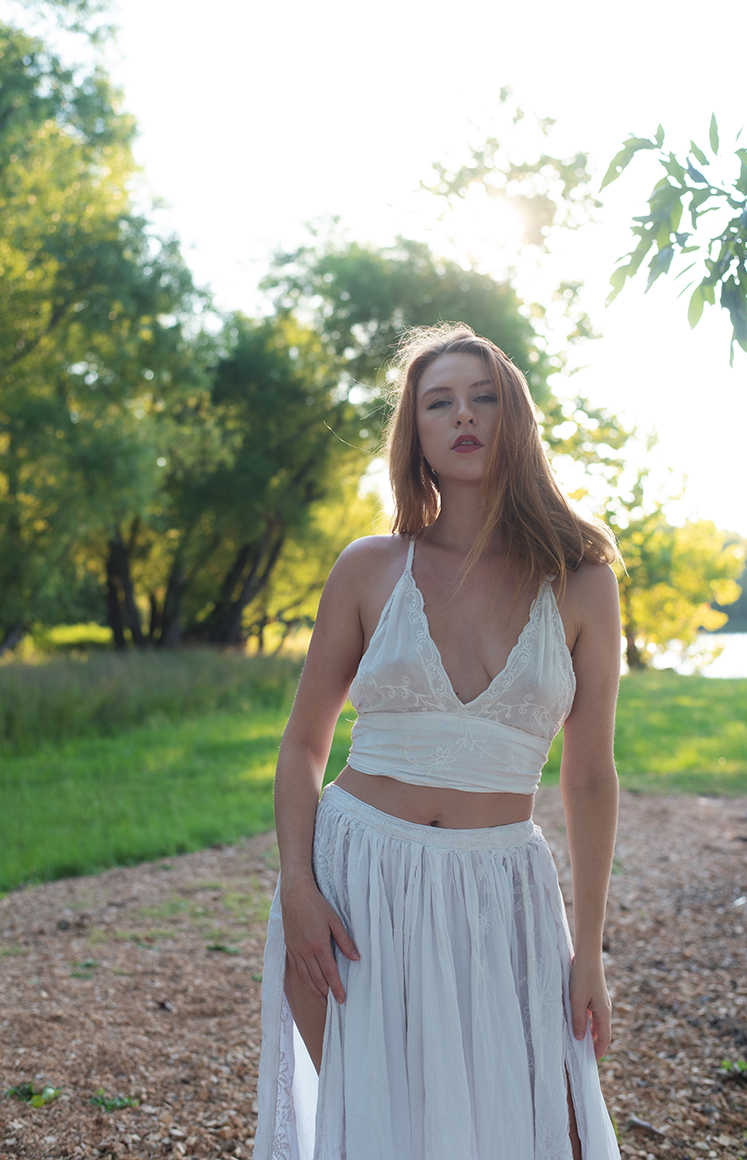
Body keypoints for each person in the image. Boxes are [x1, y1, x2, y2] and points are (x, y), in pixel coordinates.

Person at [252, 323, 622, 1160]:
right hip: (357, 884)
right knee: (380, 1133)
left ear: (514, 418)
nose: (463, 415)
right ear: (414, 432)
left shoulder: (582, 580)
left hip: (504, 890)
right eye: (439, 402)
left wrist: (589, 954)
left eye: (483, 398)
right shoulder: (369, 567)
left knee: (549, 1129)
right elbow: (303, 746)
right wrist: (299, 887)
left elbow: (591, 777)